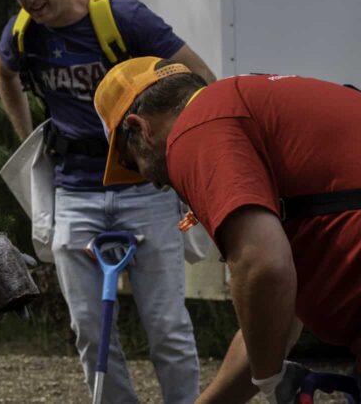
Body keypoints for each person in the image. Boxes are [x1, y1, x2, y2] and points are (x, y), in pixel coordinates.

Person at [0, 0, 215, 404]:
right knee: (91, 331)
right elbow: (4, 71)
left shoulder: (123, 20)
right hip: (74, 189)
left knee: (167, 328)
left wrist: (187, 153)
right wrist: (26, 136)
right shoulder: (22, 33)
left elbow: (200, 80)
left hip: (145, 189)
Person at [94, 58, 361, 404]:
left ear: (140, 127)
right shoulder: (244, 108)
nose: (154, 182)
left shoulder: (196, 128)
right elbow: (273, 306)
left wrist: (270, 379)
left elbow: (261, 266)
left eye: (131, 164)